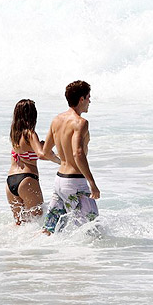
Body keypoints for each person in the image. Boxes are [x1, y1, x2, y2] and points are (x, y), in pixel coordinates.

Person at [41, 80, 100, 234]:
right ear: (81, 99)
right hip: (76, 183)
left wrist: (62, 162)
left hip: (59, 181)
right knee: (93, 231)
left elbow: (45, 152)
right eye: (88, 97)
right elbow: (78, 153)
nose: (90, 101)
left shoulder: (56, 120)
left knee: (50, 229)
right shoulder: (80, 123)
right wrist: (92, 182)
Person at [6, 99, 60, 225]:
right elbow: (41, 154)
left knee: (19, 224)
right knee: (38, 222)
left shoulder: (14, 135)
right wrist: (59, 162)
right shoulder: (30, 133)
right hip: (27, 180)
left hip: (10, 181)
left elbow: (27, 155)